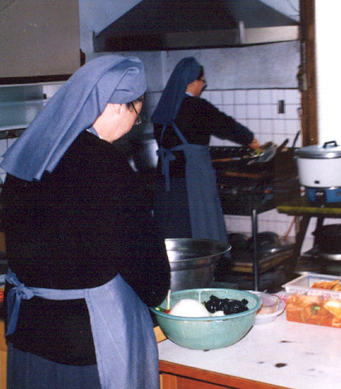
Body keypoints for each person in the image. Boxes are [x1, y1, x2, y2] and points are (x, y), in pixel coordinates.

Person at [1, 55, 171, 388]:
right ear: (119, 106)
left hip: (30, 334)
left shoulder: (28, 153)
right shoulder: (105, 164)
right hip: (87, 343)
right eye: (137, 114)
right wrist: (157, 291)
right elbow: (145, 268)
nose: (134, 125)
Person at [151, 57, 260, 242]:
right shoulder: (197, 106)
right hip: (192, 178)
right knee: (198, 228)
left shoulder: (163, 108)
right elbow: (227, 125)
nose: (202, 86)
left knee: (172, 230)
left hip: (166, 181)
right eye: (203, 81)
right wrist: (250, 139)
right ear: (193, 81)